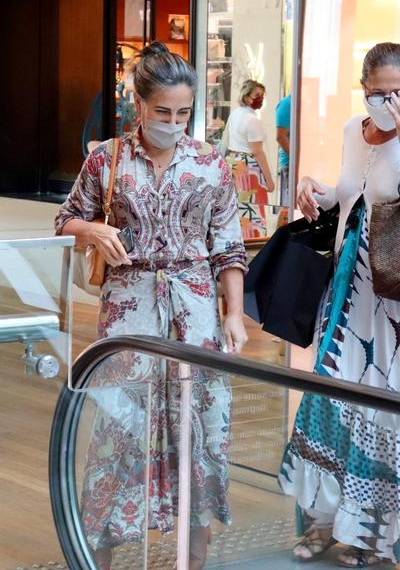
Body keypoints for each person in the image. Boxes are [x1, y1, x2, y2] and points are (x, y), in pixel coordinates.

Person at [55, 41, 248, 570]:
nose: (173, 121)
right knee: (118, 428)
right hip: (128, 309)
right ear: (138, 105)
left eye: (183, 112)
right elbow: (65, 218)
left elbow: (228, 245)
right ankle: (99, 556)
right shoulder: (107, 158)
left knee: (201, 425)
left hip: (195, 309)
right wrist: (92, 228)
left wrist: (232, 313)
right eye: (162, 111)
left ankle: (194, 557)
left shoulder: (211, 164)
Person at [278, 42, 400, 567]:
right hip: (347, 289)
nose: (385, 103)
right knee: (331, 396)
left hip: (397, 302)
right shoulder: (355, 129)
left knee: (382, 409)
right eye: (376, 93)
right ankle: (327, 522)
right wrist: (319, 190)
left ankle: (374, 537)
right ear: (363, 90)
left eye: (396, 93)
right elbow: (353, 195)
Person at [220, 79, 276, 211]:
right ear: (246, 96)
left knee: (236, 208)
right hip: (249, 168)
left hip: (233, 164)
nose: (261, 99)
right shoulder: (252, 120)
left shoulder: (235, 114)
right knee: (252, 208)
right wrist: (269, 180)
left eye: (262, 95)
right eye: (257, 95)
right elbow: (258, 152)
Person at [275, 94, 291, 207]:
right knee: (289, 208)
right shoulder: (287, 104)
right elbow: (280, 137)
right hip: (290, 166)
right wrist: (298, 161)